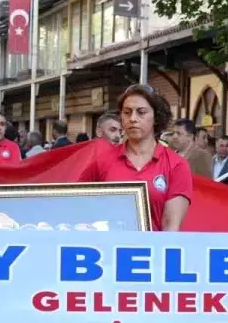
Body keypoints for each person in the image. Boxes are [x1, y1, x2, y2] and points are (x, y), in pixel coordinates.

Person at [79, 84, 191, 231]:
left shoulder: (176, 165)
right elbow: (80, 207)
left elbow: (171, 227)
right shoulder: (101, 161)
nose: (133, 118)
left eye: (141, 112)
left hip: (153, 251)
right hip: (108, 250)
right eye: (127, 112)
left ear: (156, 117)